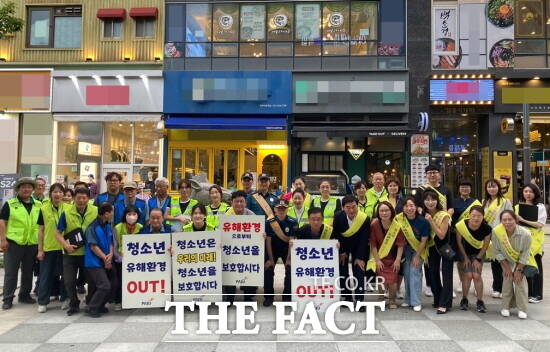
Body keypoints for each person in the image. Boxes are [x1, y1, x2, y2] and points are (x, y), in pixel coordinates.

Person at [55, 188, 98, 316]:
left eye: (84, 198)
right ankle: (74, 303)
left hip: (89, 253)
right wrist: (66, 245)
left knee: (92, 280)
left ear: (89, 199)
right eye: (78, 197)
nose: (81, 200)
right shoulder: (67, 213)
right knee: (69, 280)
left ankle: (90, 302)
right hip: (71, 254)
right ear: (74, 198)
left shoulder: (95, 211)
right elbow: (57, 233)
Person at [0, 177, 41, 310]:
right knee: (11, 272)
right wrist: (2, 239)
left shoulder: (38, 205)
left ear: (33, 189)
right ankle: (7, 298)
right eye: (23, 187)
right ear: (18, 189)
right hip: (13, 243)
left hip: (32, 244)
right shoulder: (10, 204)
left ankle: (24, 295)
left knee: (28, 271)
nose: (26, 189)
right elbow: (2, 222)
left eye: (29, 187)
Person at [415, 164, 455, 298]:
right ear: (426, 175)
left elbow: (451, 207)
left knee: (445, 261)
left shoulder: (446, 189)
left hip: (443, 225)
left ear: (440, 174)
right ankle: (430, 285)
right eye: (430, 173)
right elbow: (418, 207)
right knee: (430, 259)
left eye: (435, 172)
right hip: (427, 226)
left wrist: (446, 216)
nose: (432, 175)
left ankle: (447, 289)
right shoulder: (421, 190)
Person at [492, 210, 534, 319]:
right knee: (507, 279)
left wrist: (519, 270)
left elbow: (525, 253)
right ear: (501, 221)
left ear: (515, 220)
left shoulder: (526, 234)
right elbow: (497, 251)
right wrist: (506, 268)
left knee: (520, 282)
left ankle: (522, 309)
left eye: (510, 219)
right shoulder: (497, 232)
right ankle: (505, 307)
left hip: (521, 260)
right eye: (504, 220)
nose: (507, 222)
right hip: (505, 260)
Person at [36, 183, 68, 313]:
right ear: (50, 194)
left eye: (60, 192)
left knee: (66, 275)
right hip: (49, 247)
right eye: (55, 192)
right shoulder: (43, 209)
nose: (58, 194)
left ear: (63, 194)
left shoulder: (68, 208)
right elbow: (41, 230)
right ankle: (43, 302)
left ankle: (65, 299)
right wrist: (40, 249)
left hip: (65, 247)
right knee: (45, 275)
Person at [368, 201, 406, 309]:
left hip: (393, 258)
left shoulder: (396, 226)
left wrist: (398, 260)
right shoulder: (374, 225)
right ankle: (381, 298)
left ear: (391, 212)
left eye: (386, 210)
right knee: (381, 278)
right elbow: (373, 244)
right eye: (381, 211)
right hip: (380, 257)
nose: (384, 213)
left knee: (393, 280)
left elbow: (400, 244)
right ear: (378, 212)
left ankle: (392, 299)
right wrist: (377, 260)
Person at [333, 195, 369, 305]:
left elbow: (364, 239)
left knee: (359, 270)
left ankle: (359, 300)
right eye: (348, 207)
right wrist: (342, 252)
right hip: (343, 246)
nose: (352, 210)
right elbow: (336, 235)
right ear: (343, 208)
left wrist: (359, 257)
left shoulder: (364, 218)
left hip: (359, 247)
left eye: (354, 207)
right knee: (343, 271)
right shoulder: (338, 217)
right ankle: (347, 297)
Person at [455, 205, 492, 313]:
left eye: (479, 216)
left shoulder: (487, 228)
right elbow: (459, 242)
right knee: (467, 275)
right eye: (474, 215)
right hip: (464, 253)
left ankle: (480, 301)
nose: (476, 218)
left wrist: (478, 259)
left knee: (476, 275)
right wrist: (465, 258)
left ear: (483, 216)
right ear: (469, 215)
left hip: (479, 254)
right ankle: (464, 299)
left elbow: (485, 245)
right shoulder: (461, 225)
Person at [515, 184, 546, 304]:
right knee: (525, 265)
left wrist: (522, 220)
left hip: (535, 242)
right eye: (525, 191)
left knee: (537, 267)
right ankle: (530, 293)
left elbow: (540, 224)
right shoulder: (518, 207)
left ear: (535, 193)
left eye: (530, 191)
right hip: (522, 240)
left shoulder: (540, 207)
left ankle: (538, 294)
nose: (528, 194)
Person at [223, 190, 256, 303]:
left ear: (245, 202)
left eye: (241, 201)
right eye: (236, 201)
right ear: (232, 203)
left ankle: (248, 297)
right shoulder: (226, 216)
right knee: (229, 270)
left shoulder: (251, 215)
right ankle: (230, 298)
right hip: (231, 252)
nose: (239, 204)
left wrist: (262, 235)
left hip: (247, 251)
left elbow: (257, 234)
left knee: (250, 268)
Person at [423, 190, 453, 314]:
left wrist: (431, 221)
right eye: (427, 200)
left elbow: (441, 235)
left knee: (446, 275)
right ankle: (438, 298)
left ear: (437, 201)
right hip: (431, 247)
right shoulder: (423, 214)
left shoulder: (444, 215)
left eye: (433, 199)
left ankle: (444, 303)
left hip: (445, 247)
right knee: (433, 273)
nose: (430, 202)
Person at [84, 202, 116, 318]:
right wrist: (105, 258)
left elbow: (111, 242)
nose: (113, 214)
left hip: (106, 260)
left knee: (113, 284)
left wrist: (111, 254)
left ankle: (100, 305)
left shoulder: (107, 225)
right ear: (106, 213)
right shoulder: (92, 227)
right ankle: (92, 307)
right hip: (94, 262)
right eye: (111, 212)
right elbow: (93, 246)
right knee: (104, 285)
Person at [483, 178, 513, 299]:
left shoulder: (505, 201)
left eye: (494, 186)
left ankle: (506, 289)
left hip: (503, 234)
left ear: (499, 188)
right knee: (494, 261)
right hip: (489, 235)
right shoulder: (484, 202)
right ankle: (496, 287)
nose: (492, 189)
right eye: (489, 187)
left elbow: (511, 217)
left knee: (505, 262)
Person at [399, 197, 430, 312]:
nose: (409, 208)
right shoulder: (400, 220)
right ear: (403, 208)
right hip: (406, 250)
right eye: (406, 206)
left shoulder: (423, 221)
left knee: (415, 272)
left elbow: (424, 241)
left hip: (419, 250)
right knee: (407, 273)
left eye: (411, 205)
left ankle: (416, 302)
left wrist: (417, 256)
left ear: (416, 207)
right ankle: (408, 299)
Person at [264, 199, 296, 307]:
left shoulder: (292, 222)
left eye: (283, 209)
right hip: (272, 248)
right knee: (268, 269)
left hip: (286, 249)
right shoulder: (269, 222)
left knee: (290, 269)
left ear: (287, 210)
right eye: (279, 209)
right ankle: (268, 297)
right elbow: (268, 241)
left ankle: (287, 296)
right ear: (275, 210)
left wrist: (289, 259)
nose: (281, 211)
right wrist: (270, 259)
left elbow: (292, 241)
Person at [113, 205, 143, 311]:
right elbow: (115, 245)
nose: (131, 216)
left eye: (134, 214)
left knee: (134, 281)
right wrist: (118, 256)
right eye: (129, 214)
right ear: (125, 215)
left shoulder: (140, 227)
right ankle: (118, 301)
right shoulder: (118, 227)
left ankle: (132, 301)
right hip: (121, 259)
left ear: (138, 216)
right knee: (120, 281)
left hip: (136, 260)